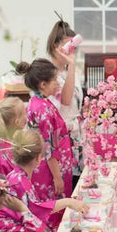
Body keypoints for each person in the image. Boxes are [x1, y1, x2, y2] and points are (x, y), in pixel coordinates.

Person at [3, 129, 89, 232]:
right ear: (39, 158)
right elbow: (36, 210)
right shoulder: (19, 182)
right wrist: (68, 202)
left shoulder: (15, 176)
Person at [16, 58, 73, 202]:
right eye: (54, 79)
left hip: (50, 167)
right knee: (55, 208)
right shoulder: (43, 110)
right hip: (50, 171)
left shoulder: (37, 102)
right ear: (43, 84)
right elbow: (48, 148)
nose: (58, 82)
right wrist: (57, 177)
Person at [47, 19, 84, 189]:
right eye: (66, 44)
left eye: (73, 44)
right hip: (61, 138)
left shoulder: (69, 70)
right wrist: (71, 65)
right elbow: (66, 100)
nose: (71, 48)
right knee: (67, 186)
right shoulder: (49, 74)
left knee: (78, 184)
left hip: (77, 136)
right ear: (55, 47)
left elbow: (73, 103)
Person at [0, 96, 26, 176]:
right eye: (25, 114)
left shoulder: (3, 140)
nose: (27, 117)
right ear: (17, 122)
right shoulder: (3, 150)